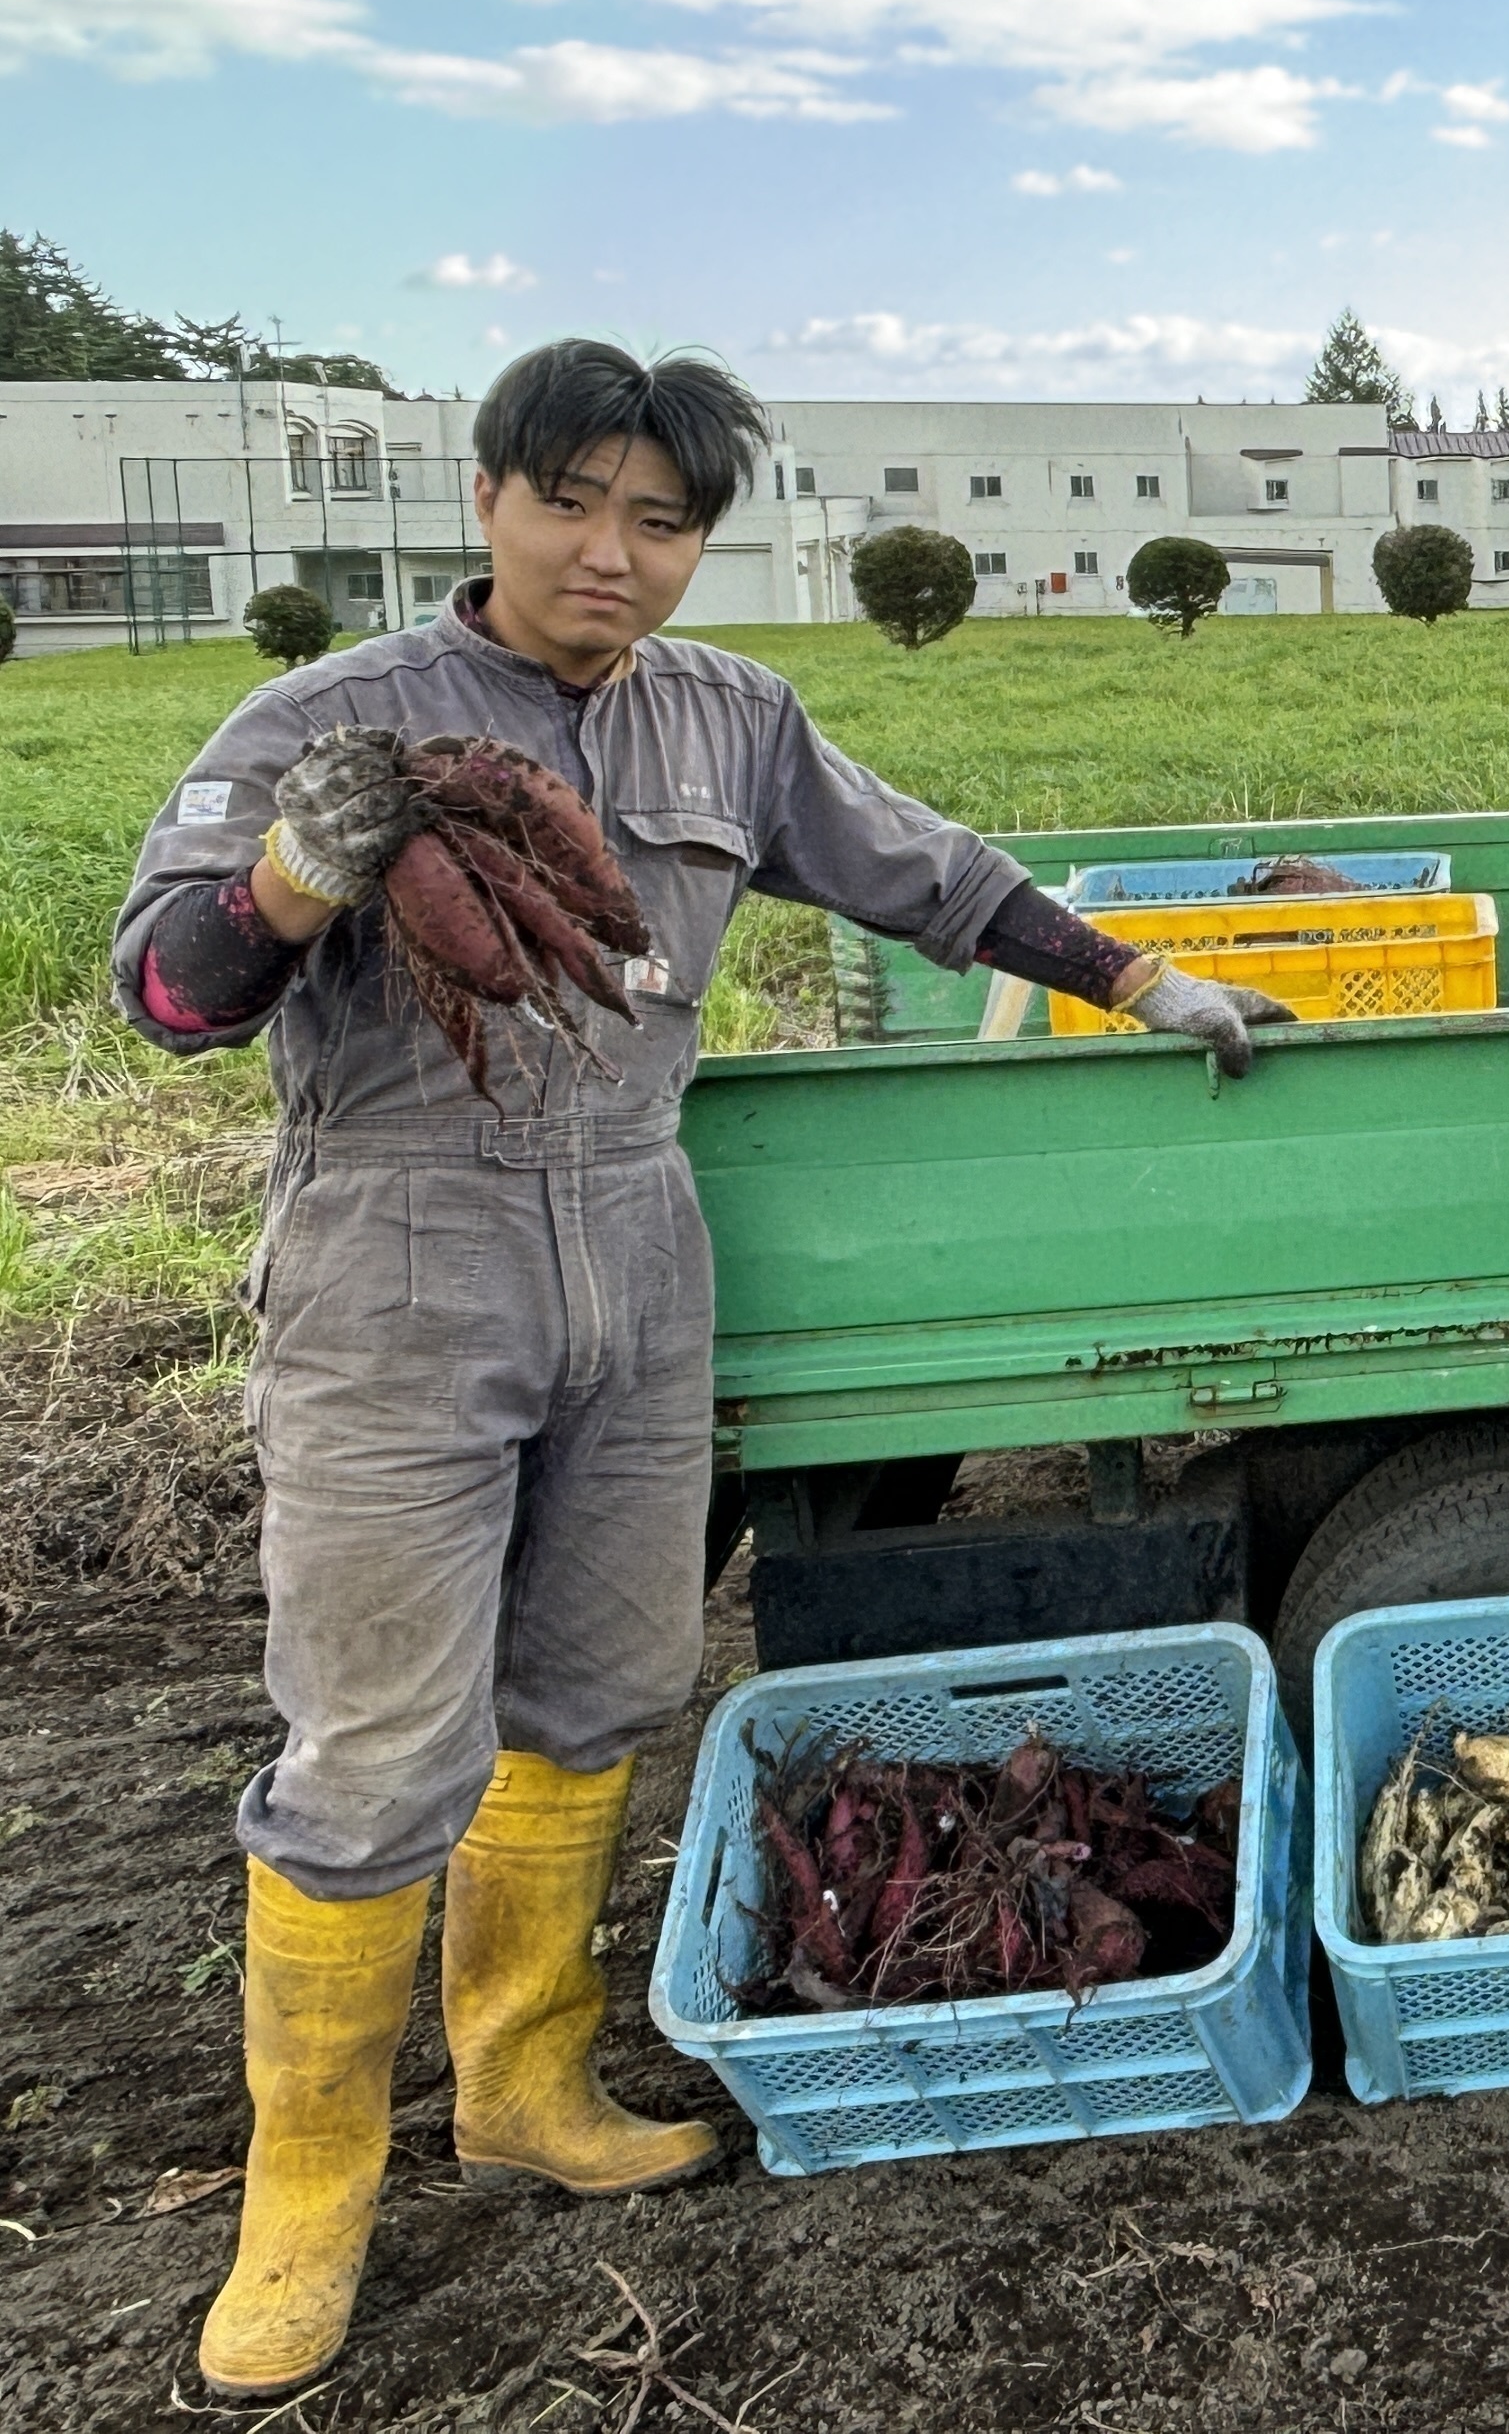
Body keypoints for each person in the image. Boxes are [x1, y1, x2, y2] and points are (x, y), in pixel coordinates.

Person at [115, 341, 1285, 2402]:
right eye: (572, 503)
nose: (613, 553)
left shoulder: (729, 719)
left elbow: (926, 872)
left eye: (660, 522)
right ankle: (305, 2196)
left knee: (598, 1686)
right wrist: (299, 872)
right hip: (403, 1255)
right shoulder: (325, 720)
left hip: (641, 1241)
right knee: (377, 1745)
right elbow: (168, 997)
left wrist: (1134, 974)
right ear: (489, 499)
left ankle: (524, 2085)